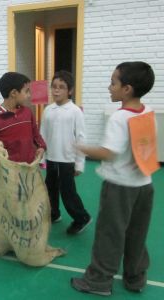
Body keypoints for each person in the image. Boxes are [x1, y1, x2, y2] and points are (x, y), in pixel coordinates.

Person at [71, 62, 157, 296]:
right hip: (144, 186)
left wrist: (80, 147)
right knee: (136, 233)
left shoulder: (120, 118)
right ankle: (135, 278)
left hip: (120, 188)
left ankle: (98, 282)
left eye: (113, 83)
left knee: (110, 234)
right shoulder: (147, 111)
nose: (109, 88)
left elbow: (109, 153)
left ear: (126, 89)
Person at [40, 71, 92, 235]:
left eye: (61, 87)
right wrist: (42, 157)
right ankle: (54, 214)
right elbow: (43, 135)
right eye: (54, 87)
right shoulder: (48, 110)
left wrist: (79, 163)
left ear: (70, 91)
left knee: (68, 192)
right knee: (50, 189)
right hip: (52, 158)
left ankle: (81, 217)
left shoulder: (75, 111)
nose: (56, 90)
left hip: (67, 160)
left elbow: (81, 137)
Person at [0, 72, 46, 163]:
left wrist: (41, 147)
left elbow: (36, 134)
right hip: (8, 169)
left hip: (30, 166)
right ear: (14, 93)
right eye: (26, 91)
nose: (29, 95)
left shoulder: (27, 112)